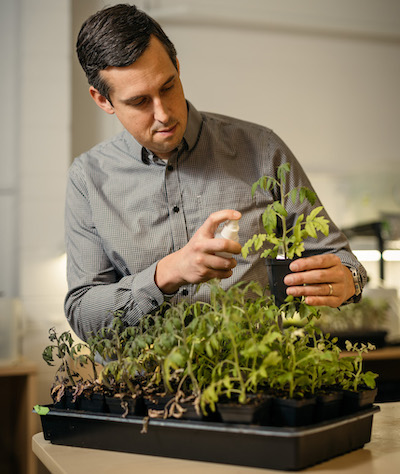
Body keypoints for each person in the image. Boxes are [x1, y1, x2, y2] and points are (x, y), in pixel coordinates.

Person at [66, 3, 366, 341]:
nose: (163, 114)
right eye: (139, 102)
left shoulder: (262, 150)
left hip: (252, 382)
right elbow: (82, 312)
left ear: (178, 68)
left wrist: (348, 279)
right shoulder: (88, 179)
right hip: (141, 388)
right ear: (103, 100)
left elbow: (341, 258)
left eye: (168, 87)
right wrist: (168, 272)